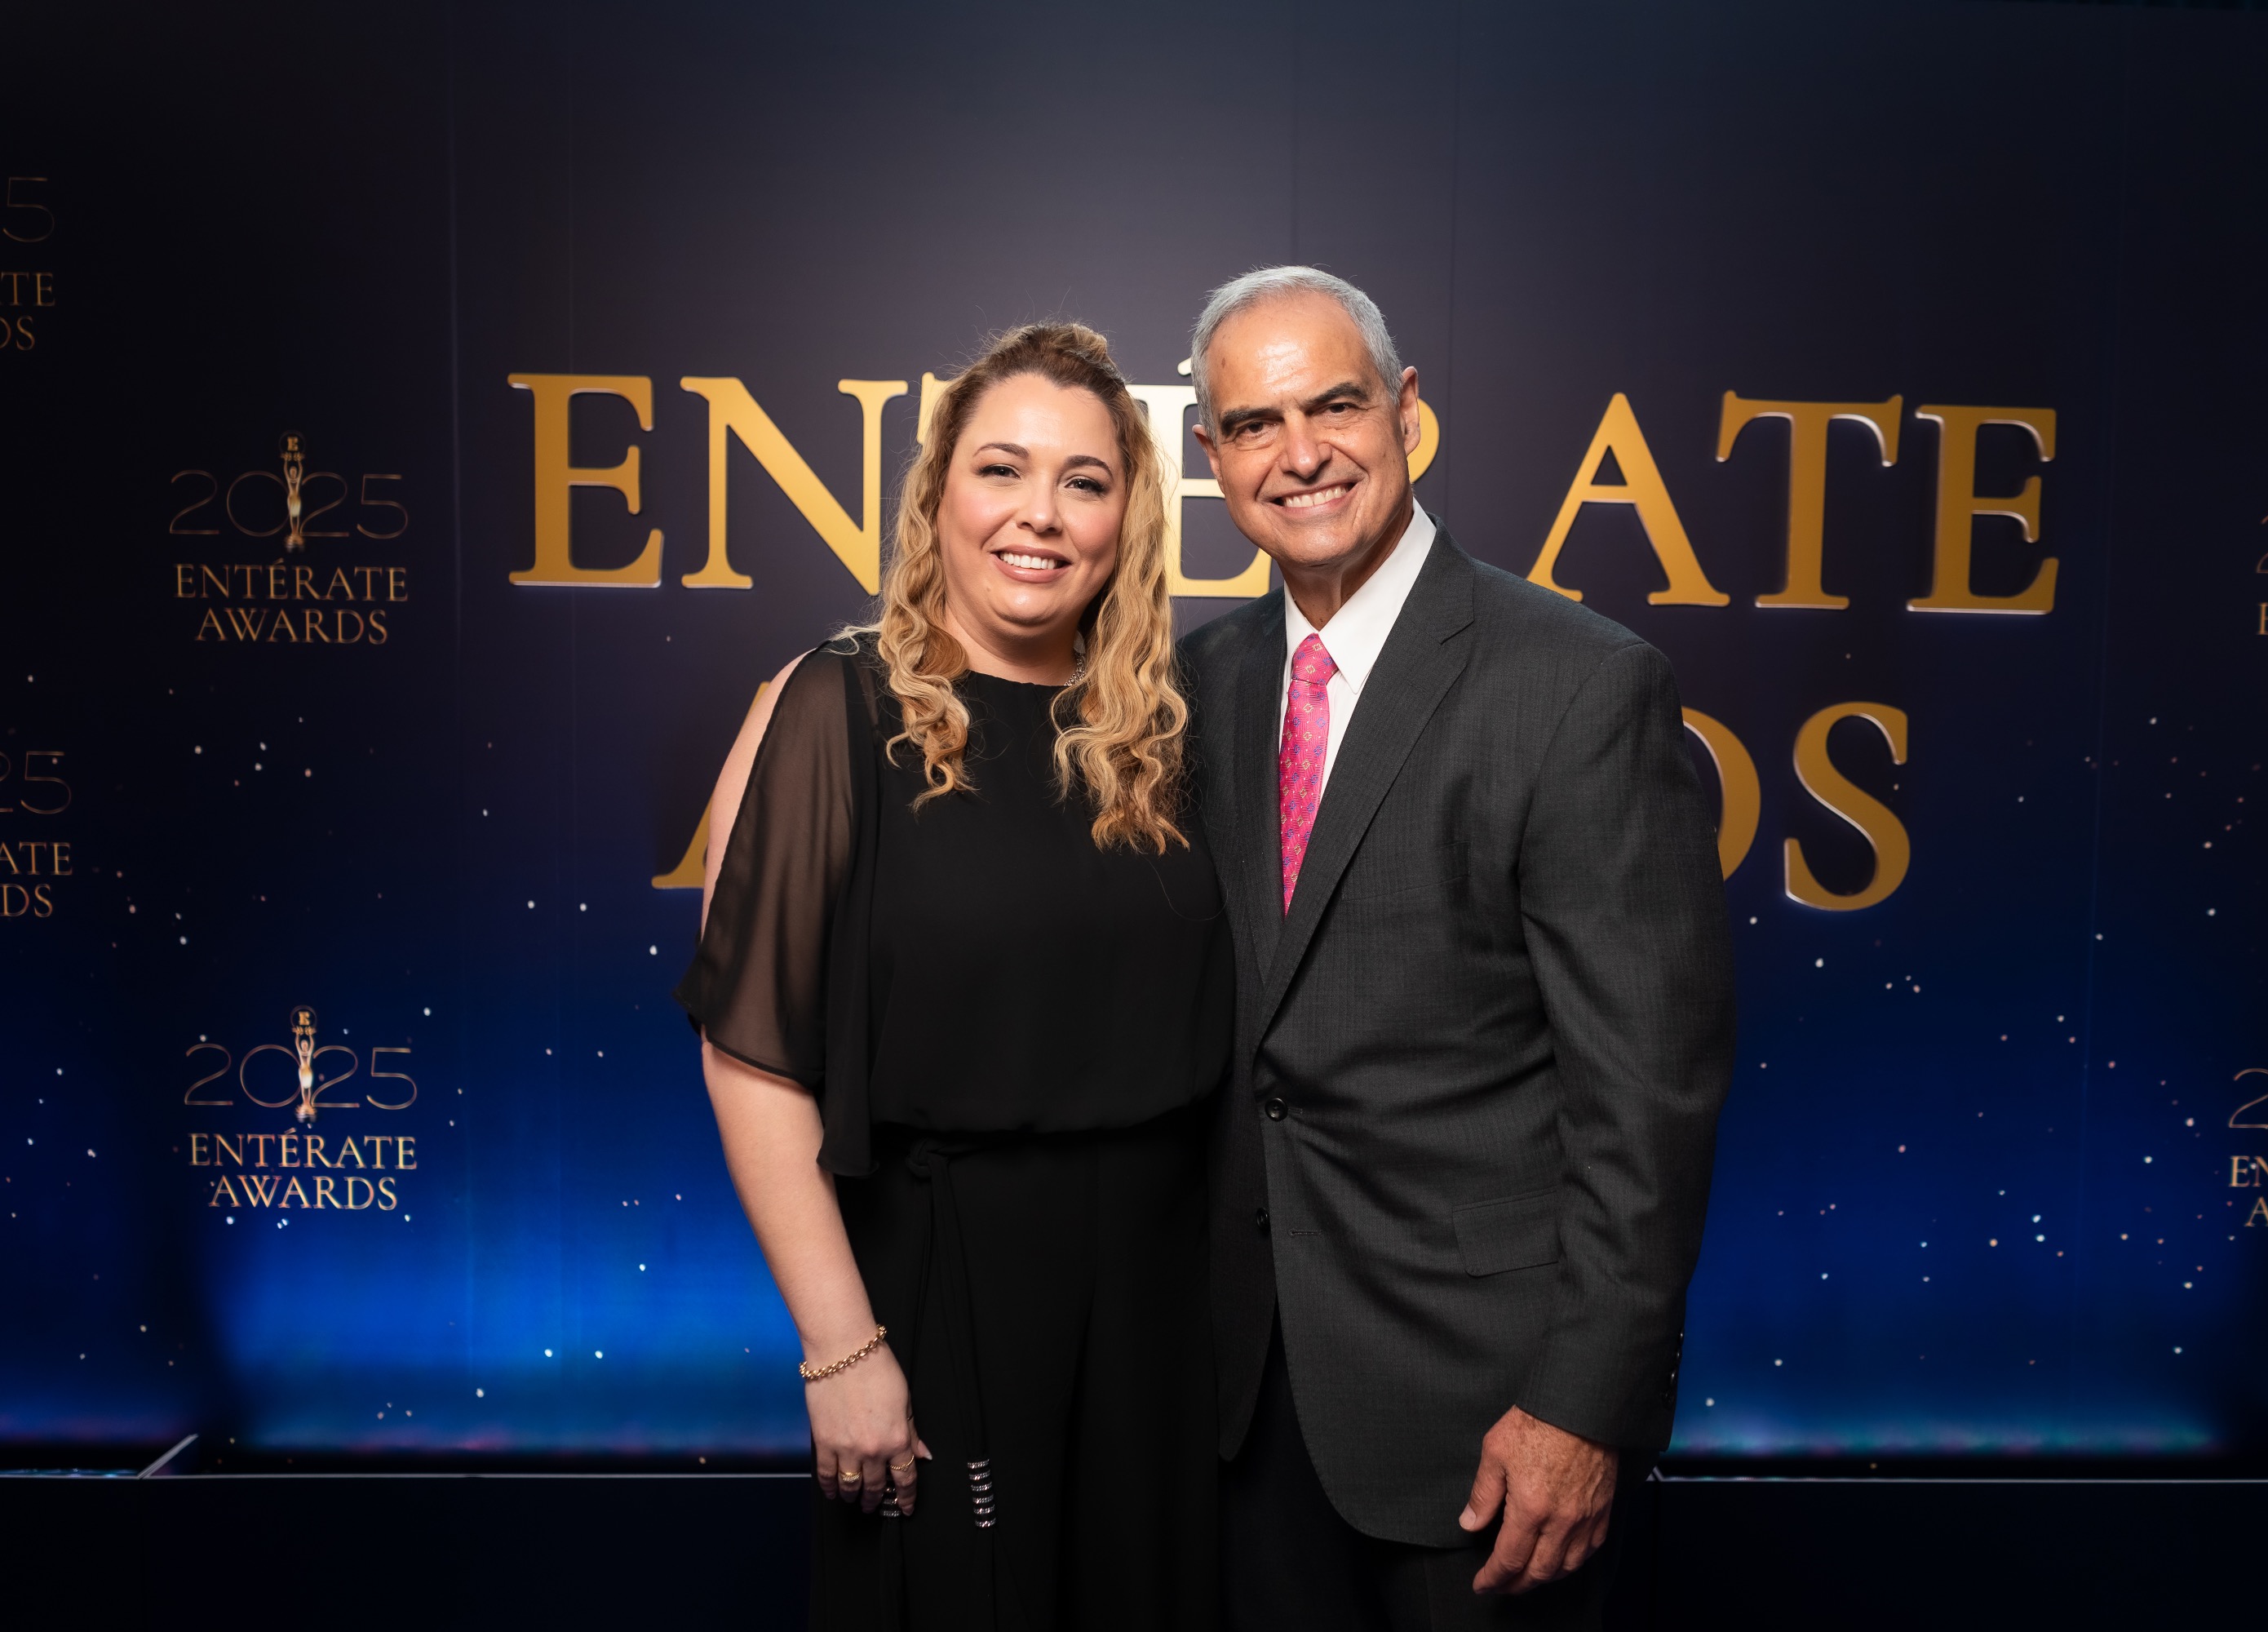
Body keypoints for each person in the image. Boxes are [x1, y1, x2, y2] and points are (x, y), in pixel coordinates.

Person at [1179, 268, 1736, 1630]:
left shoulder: (1580, 685)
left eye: (1334, 406)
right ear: (1212, 455)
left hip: (1492, 1432)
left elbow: (1648, 1100)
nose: (1299, 453)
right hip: (1239, 1414)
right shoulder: (1197, 686)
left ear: (1407, 411)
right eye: (1253, 425)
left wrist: (1582, 1407)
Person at [678, 322, 1232, 1630]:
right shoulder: (832, 706)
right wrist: (842, 1348)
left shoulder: (1167, 729)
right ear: (938, 494)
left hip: (1166, 1302)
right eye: (1001, 469)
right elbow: (751, 1058)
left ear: (1128, 520)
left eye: (1085, 482)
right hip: (943, 1287)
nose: (1041, 514)